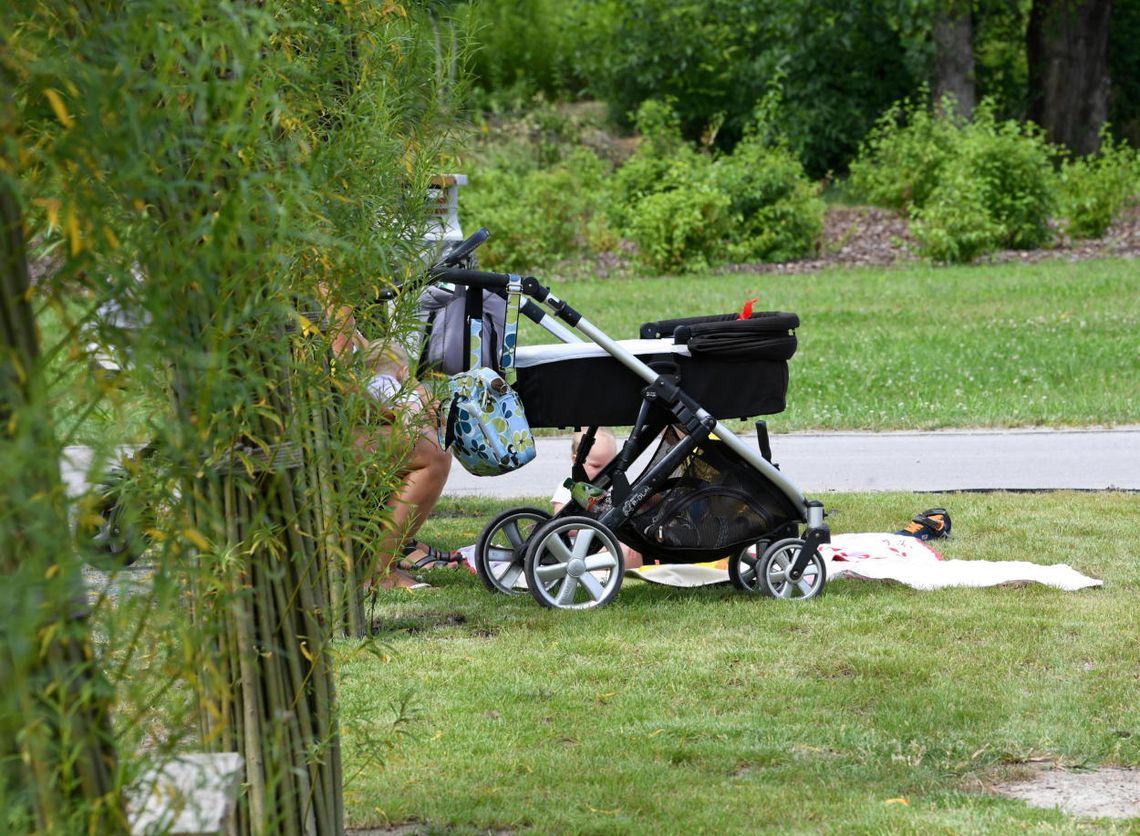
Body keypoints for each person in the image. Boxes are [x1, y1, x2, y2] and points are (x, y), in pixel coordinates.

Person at [551, 428, 644, 569]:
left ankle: (627, 574)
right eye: (596, 466)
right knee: (617, 554)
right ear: (576, 460)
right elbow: (561, 523)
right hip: (575, 549)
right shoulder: (568, 487)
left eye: (609, 467)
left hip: (605, 543)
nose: (603, 473)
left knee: (631, 551)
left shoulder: (609, 491)